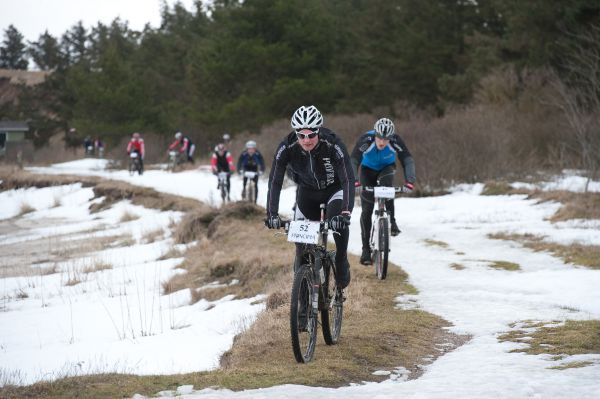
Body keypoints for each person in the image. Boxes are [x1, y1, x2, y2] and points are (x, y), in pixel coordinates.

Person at [265, 105, 355, 289]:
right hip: (306, 192)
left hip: (334, 190)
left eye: (311, 135)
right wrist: (271, 214)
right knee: (301, 248)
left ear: (319, 131)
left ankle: (341, 259)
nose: (306, 140)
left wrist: (345, 213)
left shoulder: (333, 144)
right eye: (301, 135)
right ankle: (303, 300)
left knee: (338, 223)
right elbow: (275, 181)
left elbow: (348, 179)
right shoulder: (286, 147)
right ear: (295, 133)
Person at [350, 117, 416, 265]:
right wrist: (355, 181)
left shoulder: (395, 140)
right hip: (367, 170)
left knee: (386, 187)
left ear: (391, 137)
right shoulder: (366, 139)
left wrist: (409, 181)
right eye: (379, 138)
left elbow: (407, 159)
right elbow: (353, 160)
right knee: (366, 210)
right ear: (375, 135)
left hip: (387, 168)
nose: (382, 142)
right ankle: (365, 250)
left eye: (386, 140)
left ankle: (391, 221)